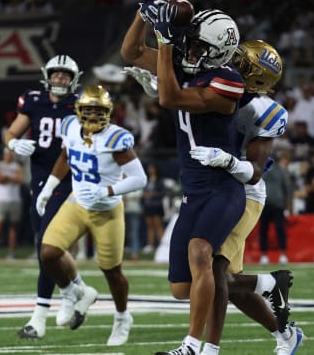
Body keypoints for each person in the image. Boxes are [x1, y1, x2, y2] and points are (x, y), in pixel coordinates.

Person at [127, 39, 302, 354]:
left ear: (256, 77)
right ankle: (278, 312)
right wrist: (165, 88)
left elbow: (256, 171)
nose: (232, 64)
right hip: (209, 182)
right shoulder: (220, 83)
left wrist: (229, 161)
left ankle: (207, 349)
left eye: (243, 64)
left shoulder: (262, 109)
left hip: (243, 188)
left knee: (215, 269)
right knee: (219, 284)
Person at [121, 0, 247, 355]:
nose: (189, 48)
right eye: (188, 40)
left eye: (198, 45)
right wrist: (143, 15)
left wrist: (164, 42)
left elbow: (169, 96)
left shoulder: (228, 81)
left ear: (219, 51)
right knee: (181, 287)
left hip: (223, 187)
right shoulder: (185, 62)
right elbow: (130, 51)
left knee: (200, 252)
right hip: (194, 192)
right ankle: (264, 286)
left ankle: (194, 346)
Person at [37, 84, 147, 346]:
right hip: (76, 202)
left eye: (99, 111)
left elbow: (139, 178)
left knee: (112, 272)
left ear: (109, 112)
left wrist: (108, 189)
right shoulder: (70, 127)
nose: (94, 117)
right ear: (78, 111)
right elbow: (65, 155)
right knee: (49, 252)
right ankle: (72, 292)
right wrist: (49, 187)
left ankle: (122, 317)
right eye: (88, 111)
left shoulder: (116, 139)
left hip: (106, 210)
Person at [6, 54, 82, 339]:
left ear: (73, 78)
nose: (60, 78)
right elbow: (13, 130)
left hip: (68, 180)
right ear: (47, 75)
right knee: (51, 250)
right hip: (38, 181)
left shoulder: (79, 104)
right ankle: (77, 291)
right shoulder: (33, 100)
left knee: (46, 247)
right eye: (56, 73)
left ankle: (39, 318)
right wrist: (13, 142)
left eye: (65, 74)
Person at [0, 148, 23, 259]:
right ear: (4, 155)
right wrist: (11, 178)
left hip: (15, 199)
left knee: (13, 226)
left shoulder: (17, 166)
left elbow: (20, 180)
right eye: (7, 154)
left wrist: (6, 178)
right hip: (1, 199)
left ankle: (12, 252)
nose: (8, 156)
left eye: (10, 154)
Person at [259, 152, 292, 266]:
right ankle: (264, 255)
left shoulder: (281, 171)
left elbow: (287, 188)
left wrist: (287, 205)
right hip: (266, 203)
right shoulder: (262, 169)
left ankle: (282, 254)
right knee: (264, 230)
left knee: (280, 230)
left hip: (277, 204)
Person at [141, 163, 167, 254]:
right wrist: (144, 195)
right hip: (148, 206)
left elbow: (163, 193)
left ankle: (163, 244)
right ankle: (150, 245)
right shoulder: (147, 180)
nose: (150, 170)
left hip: (156, 206)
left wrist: (153, 194)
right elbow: (143, 192)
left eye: (152, 168)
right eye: (149, 168)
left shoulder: (160, 180)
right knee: (150, 226)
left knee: (158, 226)